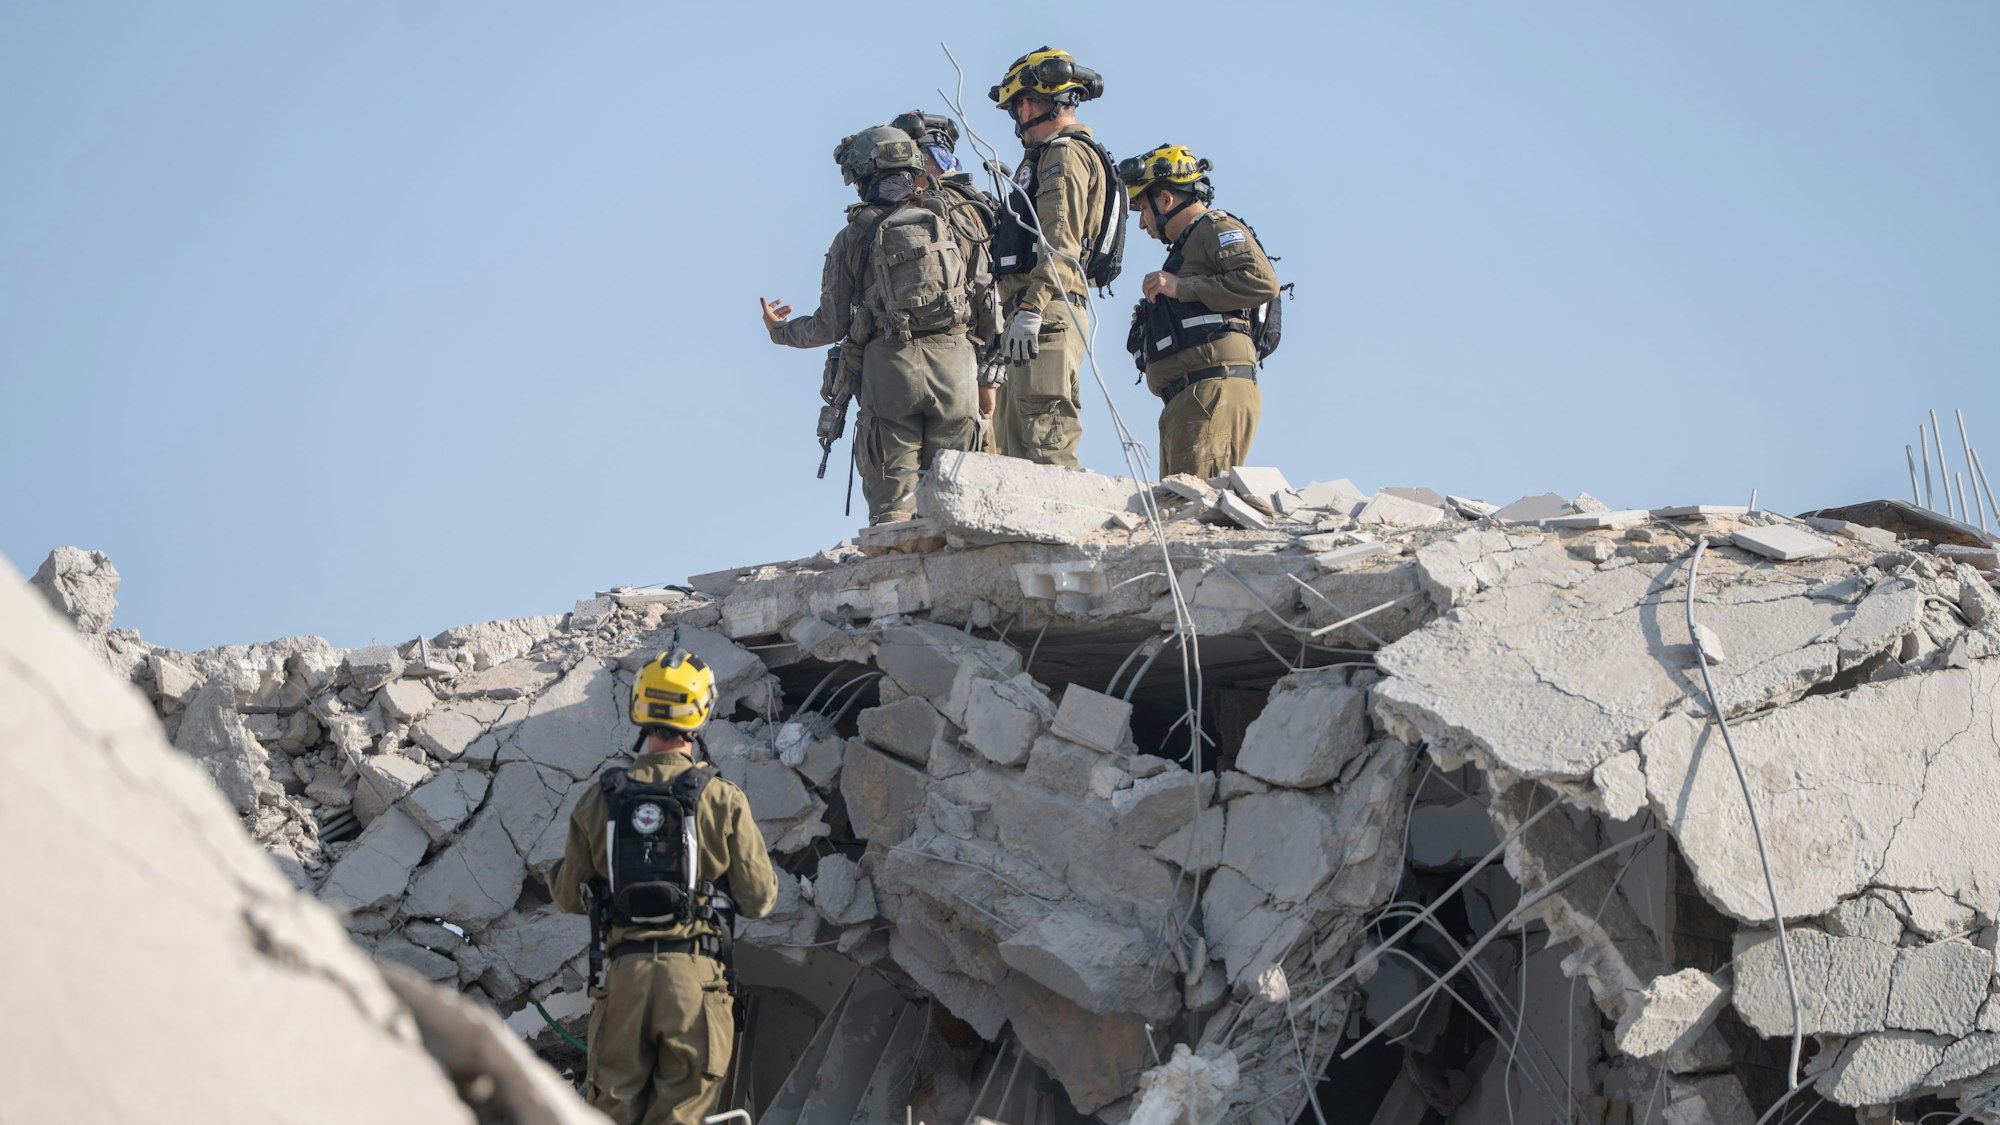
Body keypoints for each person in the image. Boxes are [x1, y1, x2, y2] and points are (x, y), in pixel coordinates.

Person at [551, 649, 777, 1125]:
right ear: (700, 712)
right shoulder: (720, 798)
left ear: (640, 707)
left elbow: (570, 896)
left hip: (624, 980)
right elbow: (759, 899)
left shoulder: (599, 798)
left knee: (608, 1114)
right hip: (694, 983)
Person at [761, 124, 992, 524]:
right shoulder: (958, 222)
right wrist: (986, 368)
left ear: (864, 178)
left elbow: (829, 325)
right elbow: (987, 297)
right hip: (956, 367)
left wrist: (780, 331)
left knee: (892, 512)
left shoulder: (851, 237)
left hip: (889, 371)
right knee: (955, 506)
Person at [985, 47, 1122, 469]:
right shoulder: (1050, 156)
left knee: (1045, 449)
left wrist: (1031, 309)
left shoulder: (1063, 154)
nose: (1017, 122)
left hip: (1043, 312)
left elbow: (1060, 241)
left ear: (1027, 104)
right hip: (1033, 313)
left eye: (1015, 110)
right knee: (1015, 454)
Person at [1120, 144, 1281, 479]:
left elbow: (1262, 282)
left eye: (1142, 208)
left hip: (1210, 391)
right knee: (1177, 507)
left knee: (1193, 506)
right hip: (1192, 396)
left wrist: (1180, 288)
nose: (1141, 224)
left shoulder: (1213, 227)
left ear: (1165, 199)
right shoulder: (1190, 243)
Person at [892, 109, 1006, 452]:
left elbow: (985, 281)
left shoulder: (947, 207)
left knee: (971, 459)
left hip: (967, 355)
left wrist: (989, 363)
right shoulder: (979, 201)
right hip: (976, 352)